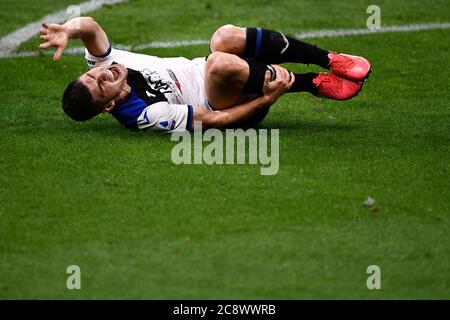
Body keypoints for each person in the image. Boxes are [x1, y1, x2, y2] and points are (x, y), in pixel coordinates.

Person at [39, 17, 371, 132]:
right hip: (226, 106)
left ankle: (327, 60)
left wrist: (68, 29)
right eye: (100, 85)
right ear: (108, 106)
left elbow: (90, 27)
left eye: (92, 74)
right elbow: (215, 122)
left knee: (223, 37)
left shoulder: (106, 64)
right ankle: (308, 84)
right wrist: (269, 98)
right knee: (218, 64)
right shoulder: (145, 114)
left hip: (223, 71)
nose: (102, 74)